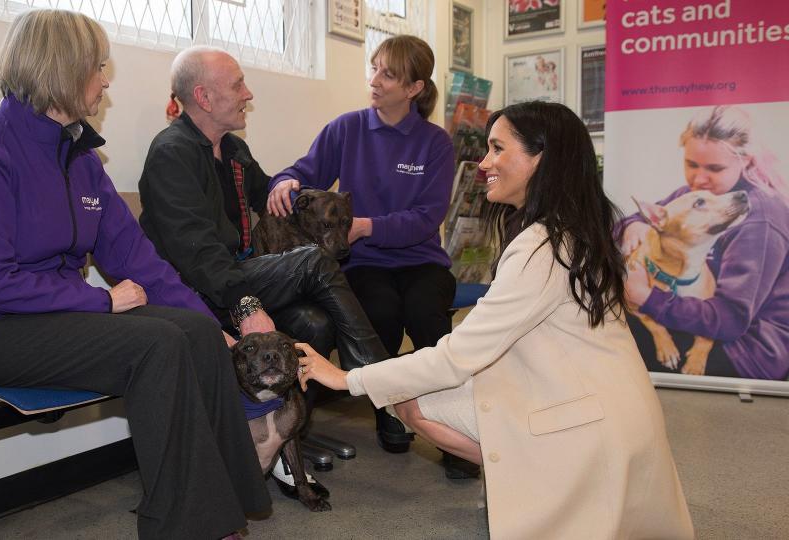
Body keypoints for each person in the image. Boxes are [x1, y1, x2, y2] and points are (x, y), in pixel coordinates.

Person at [0, 10, 269, 539]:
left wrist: (219, 328)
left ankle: (226, 506)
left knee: (196, 332)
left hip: (59, 317)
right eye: (99, 66)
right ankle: (186, 527)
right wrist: (100, 302)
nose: (106, 79)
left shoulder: (82, 157)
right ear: (60, 68)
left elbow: (138, 259)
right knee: (156, 343)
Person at [295, 101, 695, 538]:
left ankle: (540, 474)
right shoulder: (571, 229)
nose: (483, 163)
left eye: (497, 149)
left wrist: (345, 378)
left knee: (409, 399)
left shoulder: (541, 246)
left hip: (589, 422)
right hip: (607, 405)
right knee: (414, 394)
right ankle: (537, 474)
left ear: (540, 158)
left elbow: (458, 356)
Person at [137, 46, 392, 498]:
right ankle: (381, 386)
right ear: (204, 96)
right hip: (194, 291)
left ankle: (278, 440)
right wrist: (248, 305)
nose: (247, 93)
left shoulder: (233, 150)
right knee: (315, 261)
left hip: (234, 277)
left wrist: (289, 188)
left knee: (312, 323)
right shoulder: (171, 155)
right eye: (237, 85)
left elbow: (272, 202)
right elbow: (200, 260)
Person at [267, 35, 474, 476]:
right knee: (377, 311)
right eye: (374, 68)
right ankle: (390, 410)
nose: (375, 81)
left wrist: (367, 227)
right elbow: (306, 170)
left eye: (389, 74)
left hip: (421, 261)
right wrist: (284, 181)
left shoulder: (435, 143)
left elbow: (426, 217)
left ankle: (456, 431)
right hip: (364, 263)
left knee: (427, 319)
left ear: (414, 88)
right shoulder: (347, 128)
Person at [619, 105, 789, 380]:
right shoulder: (703, 191)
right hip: (705, 322)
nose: (699, 179)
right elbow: (646, 217)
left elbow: (731, 320)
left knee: (612, 340)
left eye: (715, 168)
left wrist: (646, 297)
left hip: (746, 350)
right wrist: (634, 224)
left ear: (745, 161)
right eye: (691, 164)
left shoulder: (760, 221)